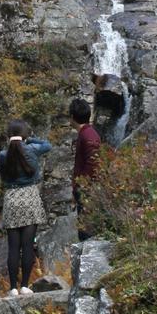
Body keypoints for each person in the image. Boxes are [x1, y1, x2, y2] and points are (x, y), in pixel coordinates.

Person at [0, 120, 51, 296]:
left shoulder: (3, 155)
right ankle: (25, 285)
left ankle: (13, 287)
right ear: (25, 135)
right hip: (30, 197)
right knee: (28, 245)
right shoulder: (32, 149)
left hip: (12, 198)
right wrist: (30, 139)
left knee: (13, 246)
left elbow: (3, 177)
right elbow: (47, 145)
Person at [70, 97, 101, 241]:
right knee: (83, 226)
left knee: (86, 228)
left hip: (86, 189)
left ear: (72, 117)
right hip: (84, 188)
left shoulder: (88, 134)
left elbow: (93, 162)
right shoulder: (87, 133)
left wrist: (82, 185)